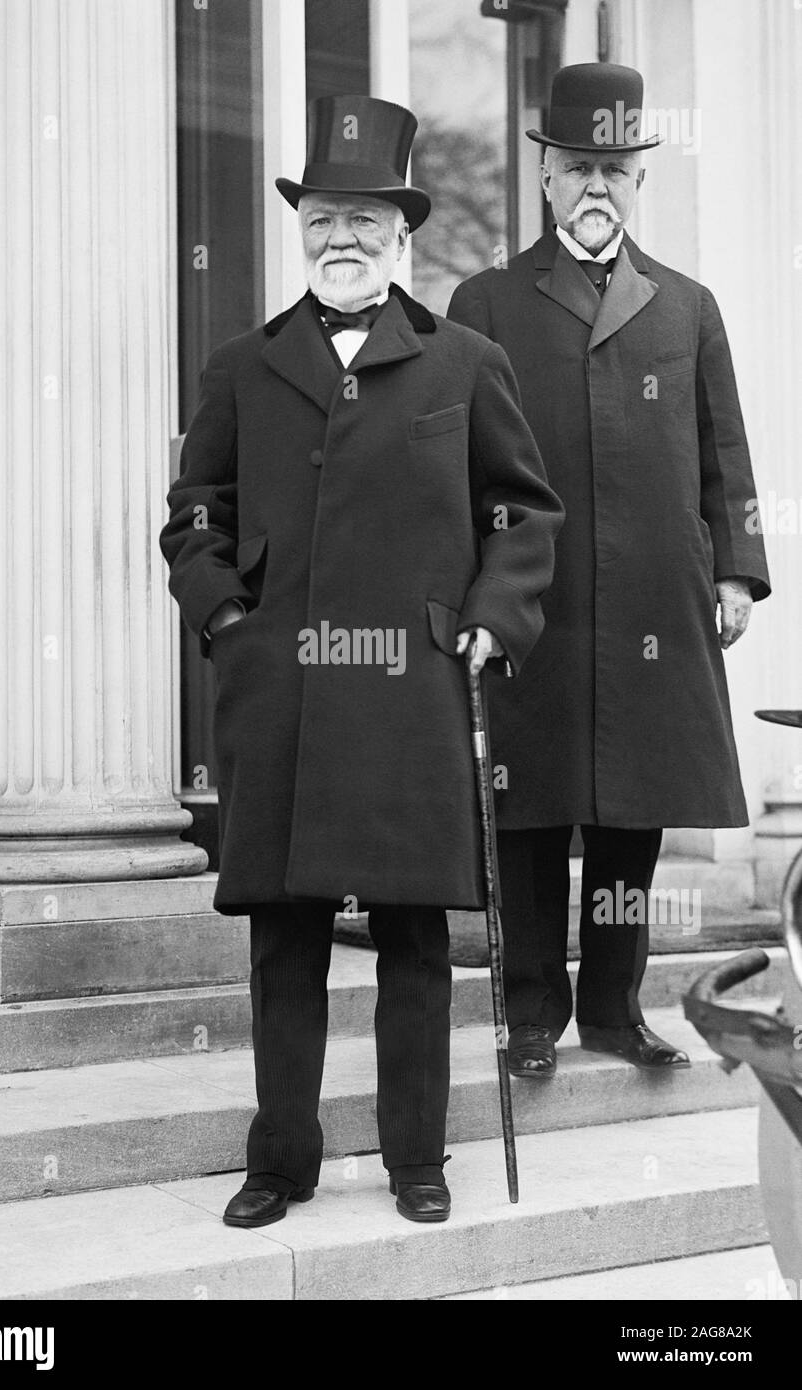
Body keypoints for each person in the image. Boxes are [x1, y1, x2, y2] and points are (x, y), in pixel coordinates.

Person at [160, 95, 562, 1228]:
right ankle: (277, 1160)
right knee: (284, 942)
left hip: (408, 696)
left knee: (412, 939)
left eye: (364, 223)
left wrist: (495, 613)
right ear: (302, 231)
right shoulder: (241, 366)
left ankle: (415, 1159)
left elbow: (523, 514)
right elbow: (195, 513)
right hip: (277, 694)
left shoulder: (464, 363)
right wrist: (227, 617)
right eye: (323, 220)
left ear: (402, 238)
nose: (342, 241)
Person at [448, 63, 770, 1079]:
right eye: (577, 165)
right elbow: (458, 461)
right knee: (533, 809)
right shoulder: (486, 301)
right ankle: (528, 1016)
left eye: (616, 168)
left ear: (639, 179)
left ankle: (612, 1011)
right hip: (535, 599)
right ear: (544, 175)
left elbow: (724, 452)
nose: (597, 186)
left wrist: (734, 573)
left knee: (632, 812)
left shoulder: (687, 306)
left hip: (652, 601)